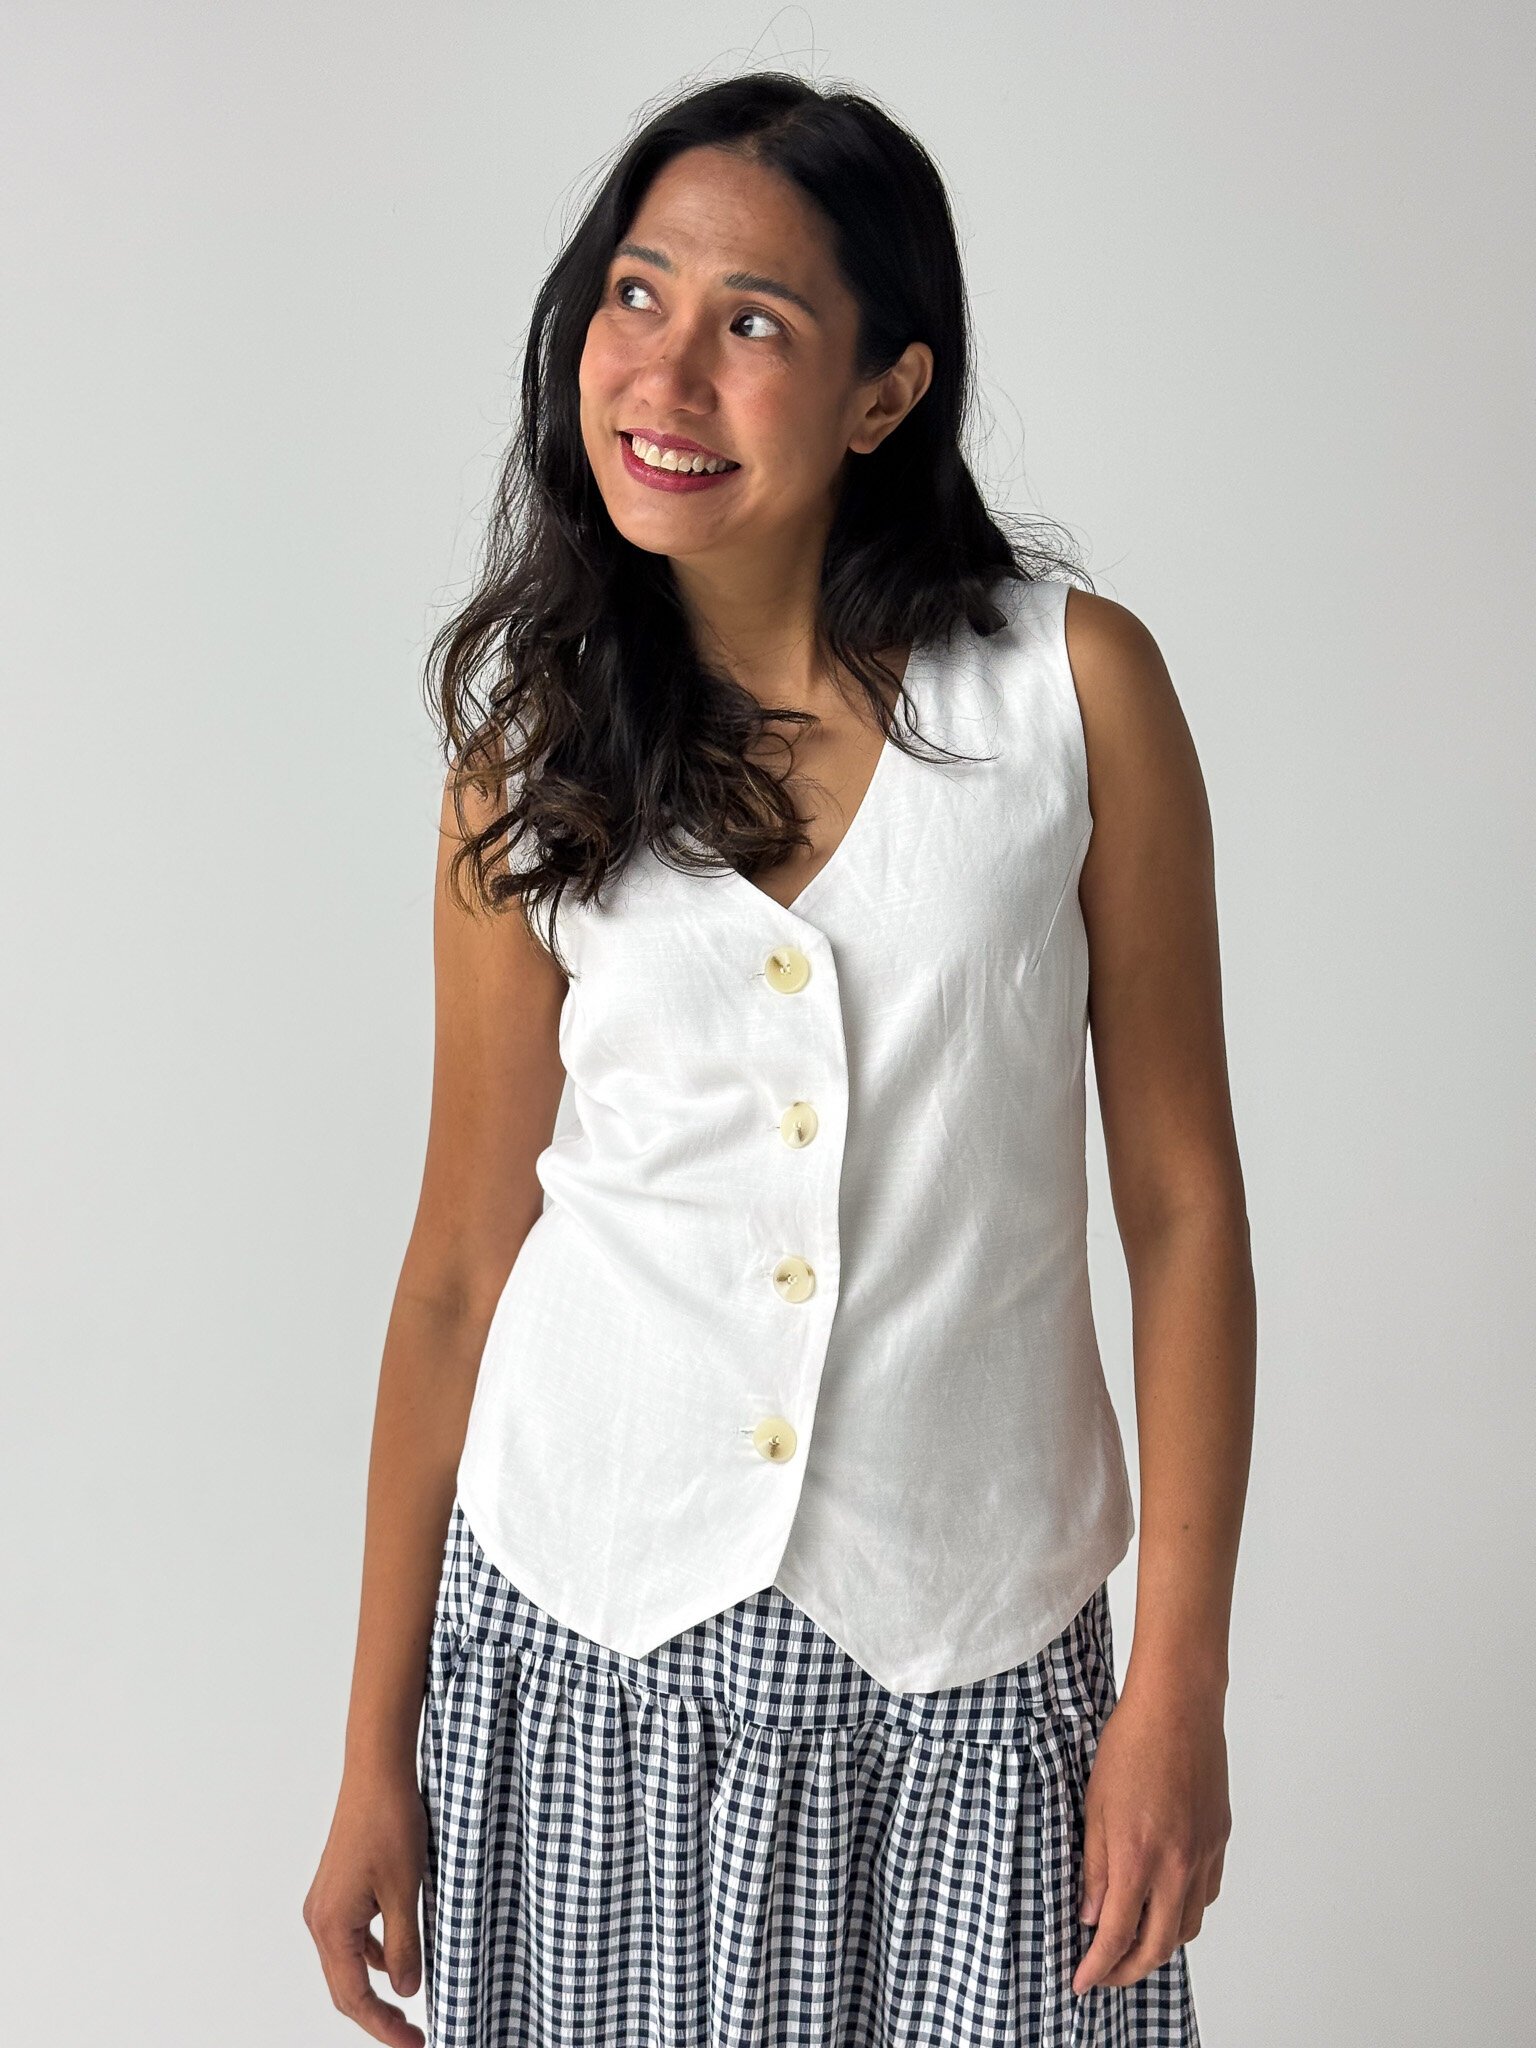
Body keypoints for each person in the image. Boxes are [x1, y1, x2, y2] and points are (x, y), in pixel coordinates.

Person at [303, 70, 1252, 2048]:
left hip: (968, 1667)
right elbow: (462, 1263)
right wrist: (373, 1749)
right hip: (587, 1666)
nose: (665, 372)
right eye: (636, 295)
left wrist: (1178, 1684)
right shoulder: (526, 759)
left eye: (754, 322)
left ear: (885, 392)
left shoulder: (1075, 695)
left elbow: (1178, 1203)